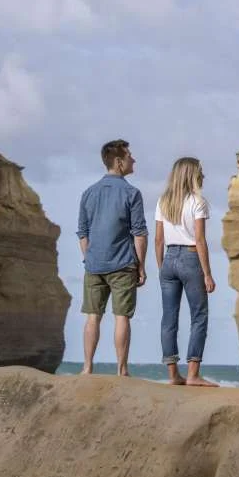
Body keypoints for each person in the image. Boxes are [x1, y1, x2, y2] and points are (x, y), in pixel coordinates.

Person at [77, 139, 147, 376]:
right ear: (118, 162)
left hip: (94, 265)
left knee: (92, 317)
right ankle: (122, 370)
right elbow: (139, 234)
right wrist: (141, 266)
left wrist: (89, 258)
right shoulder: (131, 193)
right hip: (123, 264)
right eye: (129, 156)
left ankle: (87, 367)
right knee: (122, 317)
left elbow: (83, 233)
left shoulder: (88, 193)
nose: (133, 159)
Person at [155, 157, 218, 387]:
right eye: (200, 171)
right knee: (199, 316)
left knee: (168, 318)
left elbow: (158, 239)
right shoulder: (198, 201)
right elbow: (200, 240)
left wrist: (162, 267)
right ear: (192, 175)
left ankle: (173, 375)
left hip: (169, 258)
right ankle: (192, 375)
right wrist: (207, 273)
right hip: (191, 258)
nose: (203, 175)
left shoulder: (163, 201)